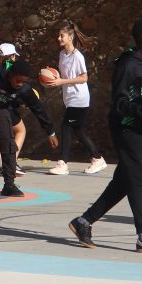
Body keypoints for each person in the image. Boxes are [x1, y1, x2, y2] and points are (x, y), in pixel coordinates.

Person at [69, 19, 142, 254]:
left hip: (139, 126)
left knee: (124, 181)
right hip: (124, 126)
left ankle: (83, 222)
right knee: (139, 178)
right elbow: (119, 105)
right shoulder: (127, 65)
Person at [0, 58, 58, 196]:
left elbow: (38, 109)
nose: (19, 84)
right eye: (17, 80)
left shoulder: (24, 90)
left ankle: (9, 184)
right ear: (10, 74)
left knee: (8, 143)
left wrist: (50, 132)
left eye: (23, 81)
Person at [46, 20, 107, 175]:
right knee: (78, 130)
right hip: (70, 98)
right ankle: (97, 158)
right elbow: (65, 75)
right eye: (58, 36)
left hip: (79, 99)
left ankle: (63, 164)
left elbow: (84, 78)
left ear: (70, 36)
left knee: (66, 127)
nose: (59, 38)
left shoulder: (77, 56)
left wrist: (61, 81)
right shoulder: (62, 54)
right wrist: (51, 75)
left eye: (62, 35)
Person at [0, 43, 24, 177]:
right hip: (6, 106)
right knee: (21, 130)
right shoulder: (11, 69)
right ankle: (11, 163)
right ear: (12, 56)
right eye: (14, 56)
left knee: (3, 134)